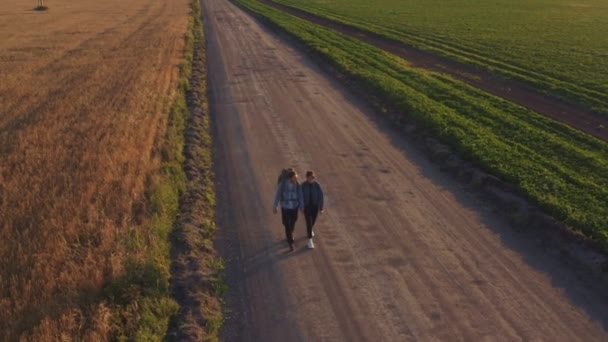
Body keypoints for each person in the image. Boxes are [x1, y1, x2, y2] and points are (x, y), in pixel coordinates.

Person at [273, 170, 304, 252]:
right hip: (285, 207)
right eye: (295, 178)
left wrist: (301, 206)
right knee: (286, 224)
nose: (296, 179)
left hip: (294, 207)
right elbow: (278, 195)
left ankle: (290, 233)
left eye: (296, 178)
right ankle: (291, 242)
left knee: (293, 221)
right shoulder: (282, 185)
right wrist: (275, 206)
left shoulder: (298, 185)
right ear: (290, 178)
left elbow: (300, 195)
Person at [301, 170, 324, 249]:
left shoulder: (317, 185)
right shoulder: (303, 186)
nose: (313, 178)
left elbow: (321, 196)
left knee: (313, 221)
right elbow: (300, 197)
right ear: (307, 177)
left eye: (313, 177)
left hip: (315, 206)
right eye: (311, 177)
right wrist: (301, 206)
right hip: (307, 207)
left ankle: (310, 230)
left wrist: (321, 208)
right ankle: (310, 240)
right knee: (309, 221)